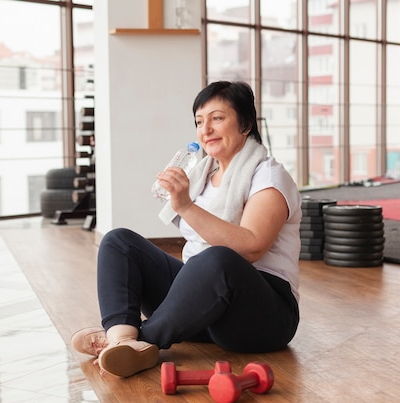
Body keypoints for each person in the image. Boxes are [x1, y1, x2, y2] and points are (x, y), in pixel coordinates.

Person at [72, 80, 301, 378]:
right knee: (119, 242)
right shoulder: (203, 173)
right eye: (199, 121)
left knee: (217, 259)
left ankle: (142, 340)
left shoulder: (269, 176)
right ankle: (121, 339)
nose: (205, 129)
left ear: (245, 124)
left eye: (217, 118)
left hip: (262, 314)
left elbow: (252, 246)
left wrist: (185, 207)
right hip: (203, 305)